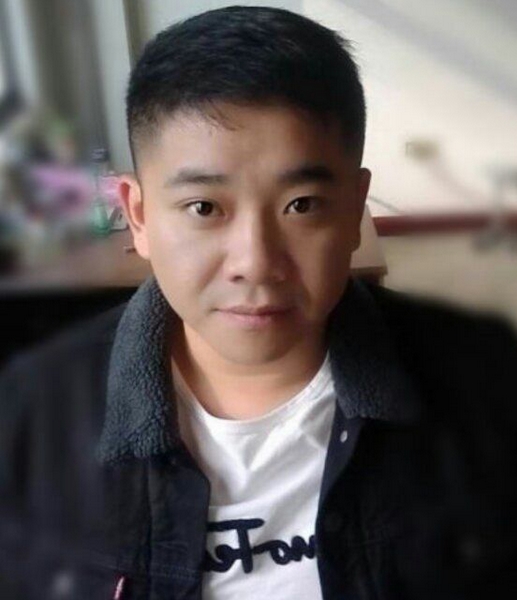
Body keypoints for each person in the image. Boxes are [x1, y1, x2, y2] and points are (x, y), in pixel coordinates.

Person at [1, 6, 517, 600]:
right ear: (138, 216)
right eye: (204, 208)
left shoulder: (484, 383)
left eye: (302, 205)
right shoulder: (29, 416)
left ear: (355, 209)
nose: (255, 261)